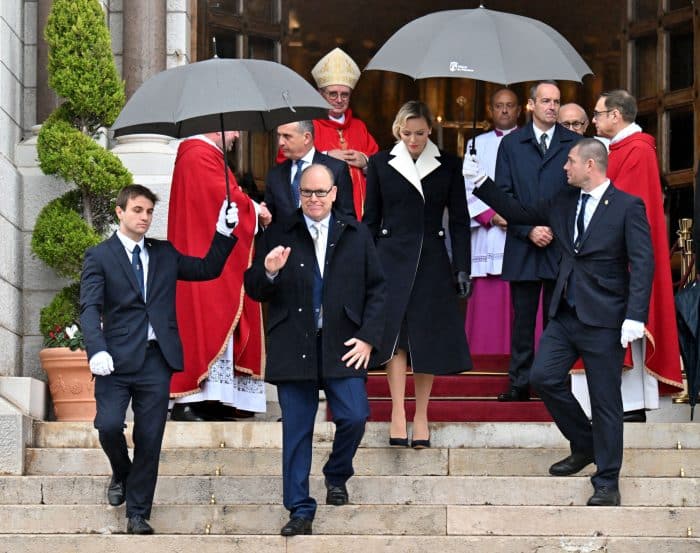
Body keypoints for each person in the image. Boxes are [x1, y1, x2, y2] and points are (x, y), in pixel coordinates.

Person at [467, 138, 654, 506]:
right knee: (543, 378)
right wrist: (480, 183)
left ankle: (607, 481)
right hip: (566, 313)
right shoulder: (563, 201)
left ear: (591, 165)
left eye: (570, 162)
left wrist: (635, 315)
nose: (564, 167)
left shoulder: (628, 207)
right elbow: (519, 211)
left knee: (605, 401)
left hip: (605, 319)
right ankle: (585, 444)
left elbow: (643, 264)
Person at [80, 184, 238, 534]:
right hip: (115, 361)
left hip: (157, 360)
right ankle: (122, 471)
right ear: (120, 212)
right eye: (137, 210)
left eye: (149, 212)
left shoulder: (164, 253)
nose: (144, 217)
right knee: (108, 426)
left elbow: (207, 269)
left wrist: (223, 232)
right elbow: (89, 308)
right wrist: (97, 349)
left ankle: (138, 514)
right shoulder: (99, 256)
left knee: (150, 438)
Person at [244, 164, 385, 536]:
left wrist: (369, 336)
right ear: (298, 195)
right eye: (307, 193)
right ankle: (300, 509)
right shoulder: (279, 231)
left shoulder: (356, 234)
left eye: (321, 193)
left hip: (344, 343)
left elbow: (378, 290)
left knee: (355, 416)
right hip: (294, 342)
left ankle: (336, 473)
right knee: (297, 432)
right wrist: (270, 271)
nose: (315, 200)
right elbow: (254, 287)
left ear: (335, 193)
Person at [364, 100, 472, 448]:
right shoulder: (381, 163)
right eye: (408, 133)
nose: (414, 140)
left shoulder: (448, 165)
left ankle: (422, 415)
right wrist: (363, 266)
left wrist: (463, 267)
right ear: (398, 130)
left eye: (421, 133)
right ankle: (397, 412)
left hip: (432, 260)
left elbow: (458, 220)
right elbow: (371, 218)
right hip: (389, 259)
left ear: (430, 131)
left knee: (425, 337)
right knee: (395, 337)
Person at [571, 89, 683, 420]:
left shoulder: (638, 151)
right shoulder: (618, 149)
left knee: (627, 331)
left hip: (625, 261)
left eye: (598, 114)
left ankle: (630, 405)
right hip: (606, 263)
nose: (594, 120)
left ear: (616, 115)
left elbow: (623, 206)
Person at [168, 131, 268, 422]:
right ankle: (190, 401)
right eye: (233, 129)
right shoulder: (198, 154)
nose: (236, 135)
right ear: (216, 127)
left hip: (210, 252)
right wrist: (254, 208)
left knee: (214, 324)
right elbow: (222, 198)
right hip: (206, 257)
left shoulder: (204, 155)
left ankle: (214, 399)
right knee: (206, 323)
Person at [494, 81, 581, 401]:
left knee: (558, 319)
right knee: (523, 320)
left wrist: (555, 230)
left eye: (556, 102)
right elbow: (502, 195)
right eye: (546, 101)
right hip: (523, 246)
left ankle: (551, 382)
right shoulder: (512, 144)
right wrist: (528, 229)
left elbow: (581, 196)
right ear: (531, 105)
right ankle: (519, 383)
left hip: (559, 247)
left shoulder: (575, 142)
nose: (552, 107)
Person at [463, 88, 520, 355]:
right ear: (490, 110)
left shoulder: (528, 141)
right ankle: (483, 355)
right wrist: (492, 216)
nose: (505, 110)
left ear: (519, 110)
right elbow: (466, 186)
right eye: (499, 106)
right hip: (488, 233)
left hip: (522, 231)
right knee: (488, 297)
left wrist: (518, 214)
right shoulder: (476, 144)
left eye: (510, 105)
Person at [308, 47, 379, 218]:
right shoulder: (308, 126)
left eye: (344, 95)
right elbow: (290, 166)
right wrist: (325, 156)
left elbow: (382, 166)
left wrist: (366, 162)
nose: (339, 100)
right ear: (320, 94)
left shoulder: (359, 127)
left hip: (361, 216)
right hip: (324, 215)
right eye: (333, 94)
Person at [265, 120, 355, 222]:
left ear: (306, 138)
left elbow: (347, 218)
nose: (280, 142)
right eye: (279, 136)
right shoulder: (275, 174)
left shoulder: (336, 169)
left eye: (287, 136)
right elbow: (270, 219)